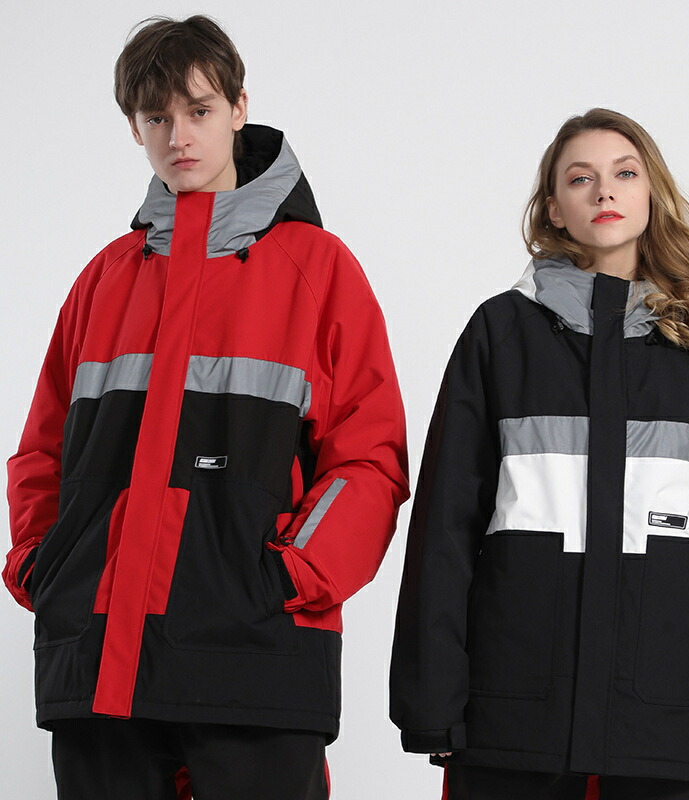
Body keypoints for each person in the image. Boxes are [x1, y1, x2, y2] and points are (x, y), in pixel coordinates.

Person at [3, 15, 409, 800]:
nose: (179, 136)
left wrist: (287, 578)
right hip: (97, 660)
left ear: (238, 108)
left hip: (255, 658)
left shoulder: (319, 269)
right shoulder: (105, 278)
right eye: (156, 117)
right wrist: (42, 567)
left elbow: (370, 458)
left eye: (199, 110)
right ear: (134, 128)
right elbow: (42, 451)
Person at [389, 108, 689, 800]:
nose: (604, 191)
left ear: (651, 193)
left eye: (624, 174)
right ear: (554, 208)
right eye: (581, 178)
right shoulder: (500, 333)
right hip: (515, 718)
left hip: (668, 726)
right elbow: (444, 529)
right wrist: (433, 700)